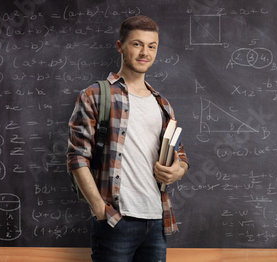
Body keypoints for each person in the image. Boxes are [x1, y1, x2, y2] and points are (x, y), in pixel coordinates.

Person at [67, 15, 189, 262]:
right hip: (115, 221)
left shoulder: (162, 104)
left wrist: (178, 170)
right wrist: (100, 209)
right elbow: (77, 157)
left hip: (157, 220)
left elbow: (181, 155)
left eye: (151, 46)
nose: (145, 52)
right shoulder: (95, 95)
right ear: (120, 46)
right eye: (137, 44)